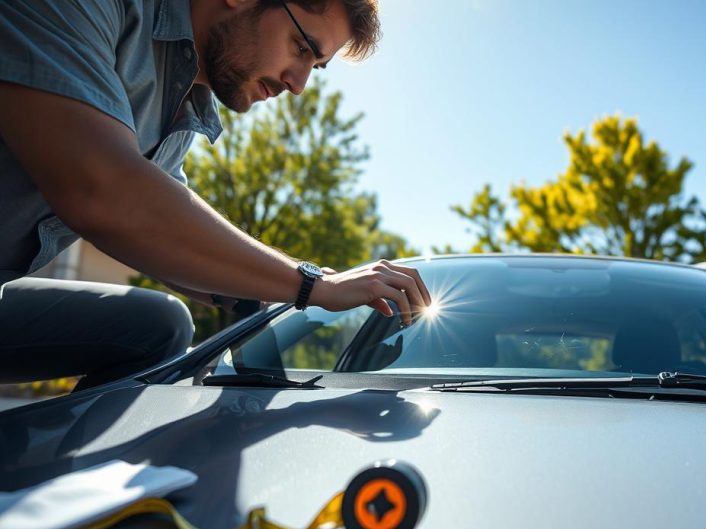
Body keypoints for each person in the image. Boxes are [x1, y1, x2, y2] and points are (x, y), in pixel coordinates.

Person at [0, 0, 431, 390]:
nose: (299, 85)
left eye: (315, 66)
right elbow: (106, 192)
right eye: (301, 47)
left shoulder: (183, 100)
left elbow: (168, 234)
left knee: (161, 325)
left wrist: (267, 295)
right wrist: (313, 283)